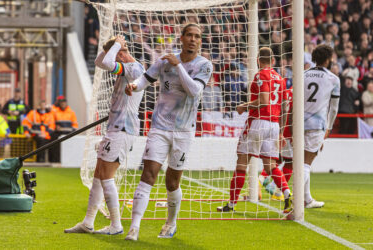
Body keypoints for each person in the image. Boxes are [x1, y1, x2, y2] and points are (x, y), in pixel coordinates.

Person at [124, 23, 213, 240]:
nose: (193, 39)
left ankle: (170, 223)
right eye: (189, 35)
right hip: (160, 127)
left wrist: (179, 65)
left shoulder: (205, 65)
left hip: (184, 132)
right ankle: (134, 228)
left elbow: (194, 91)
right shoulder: (164, 61)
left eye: (197, 36)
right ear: (181, 38)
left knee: (172, 182)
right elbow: (145, 78)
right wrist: (134, 85)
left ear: (200, 41)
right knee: (148, 174)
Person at [64, 35, 144, 235]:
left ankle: (116, 226)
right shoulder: (125, 65)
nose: (114, 62)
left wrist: (117, 45)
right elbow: (100, 61)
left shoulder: (134, 69)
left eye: (117, 56)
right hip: (115, 128)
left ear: (122, 56)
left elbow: (107, 62)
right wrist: (113, 46)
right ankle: (88, 222)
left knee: (107, 176)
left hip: (123, 130)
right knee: (99, 174)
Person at [219, 47, 292, 213]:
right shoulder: (280, 79)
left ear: (258, 60)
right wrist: (280, 131)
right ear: (273, 61)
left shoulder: (261, 75)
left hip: (258, 122)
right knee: (270, 166)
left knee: (242, 162)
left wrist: (243, 106)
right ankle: (288, 195)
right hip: (274, 125)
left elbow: (264, 100)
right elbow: (284, 107)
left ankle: (231, 204)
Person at [303, 44, 340, 208]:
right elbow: (334, 108)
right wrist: (329, 128)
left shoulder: (303, 75)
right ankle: (294, 198)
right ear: (327, 59)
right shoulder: (333, 79)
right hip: (317, 124)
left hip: (299, 123)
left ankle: (307, 199)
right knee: (306, 163)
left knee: (302, 162)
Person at [49, 97, 78, 163]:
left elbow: (75, 125)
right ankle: (55, 160)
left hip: (68, 133)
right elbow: (51, 123)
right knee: (53, 141)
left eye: (64, 103)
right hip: (58, 132)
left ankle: (70, 160)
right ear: (60, 103)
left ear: (66, 103)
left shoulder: (71, 112)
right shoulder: (55, 112)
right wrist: (55, 127)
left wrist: (71, 131)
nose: (63, 104)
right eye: (61, 103)